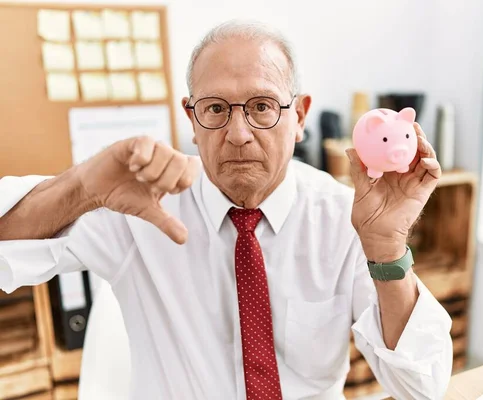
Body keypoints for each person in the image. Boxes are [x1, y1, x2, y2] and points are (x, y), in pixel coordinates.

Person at [0, 20, 452, 400]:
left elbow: (421, 384)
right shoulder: (141, 205)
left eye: (261, 107)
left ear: (299, 116)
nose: (238, 133)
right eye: (216, 108)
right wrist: (81, 188)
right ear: (192, 119)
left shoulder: (345, 216)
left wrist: (387, 250)